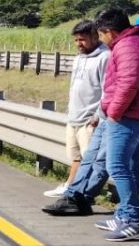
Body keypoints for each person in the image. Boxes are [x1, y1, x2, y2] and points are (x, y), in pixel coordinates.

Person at [43, 21, 109, 198]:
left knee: (89, 160)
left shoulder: (105, 57)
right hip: (74, 116)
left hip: (90, 119)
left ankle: (81, 195)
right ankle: (70, 188)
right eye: (76, 40)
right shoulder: (79, 57)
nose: (79, 43)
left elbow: (107, 89)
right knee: (75, 157)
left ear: (94, 37)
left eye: (82, 39)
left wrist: (97, 116)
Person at [94, 8, 139, 241]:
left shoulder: (127, 46)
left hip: (127, 116)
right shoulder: (135, 42)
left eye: (101, 34)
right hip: (135, 115)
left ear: (110, 31)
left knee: (117, 166)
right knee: (131, 165)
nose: (101, 39)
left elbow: (128, 83)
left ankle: (132, 219)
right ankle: (124, 214)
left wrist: (113, 112)